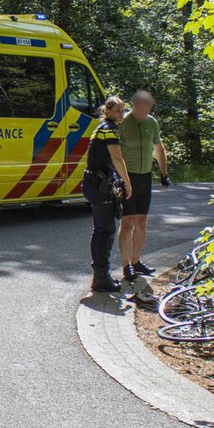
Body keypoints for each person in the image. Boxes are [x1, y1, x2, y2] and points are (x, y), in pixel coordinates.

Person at [117, 89, 170, 297]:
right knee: (127, 221)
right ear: (133, 106)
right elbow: (114, 153)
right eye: (140, 109)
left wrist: (164, 173)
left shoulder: (152, 123)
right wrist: (119, 178)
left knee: (141, 220)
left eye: (147, 109)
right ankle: (125, 265)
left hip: (144, 176)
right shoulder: (123, 123)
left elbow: (159, 148)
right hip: (126, 176)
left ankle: (137, 261)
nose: (143, 113)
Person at [82, 96, 133, 294]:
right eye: (117, 111)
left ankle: (100, 274)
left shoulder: (100, 128)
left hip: (93, 182)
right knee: (106, 230)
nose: (121, 114)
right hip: (99, 184)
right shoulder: (109, 130)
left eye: (123, 111)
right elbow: (117, 158)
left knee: (100, 229)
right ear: (108, 111)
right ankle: (101, 278)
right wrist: (128, 183)